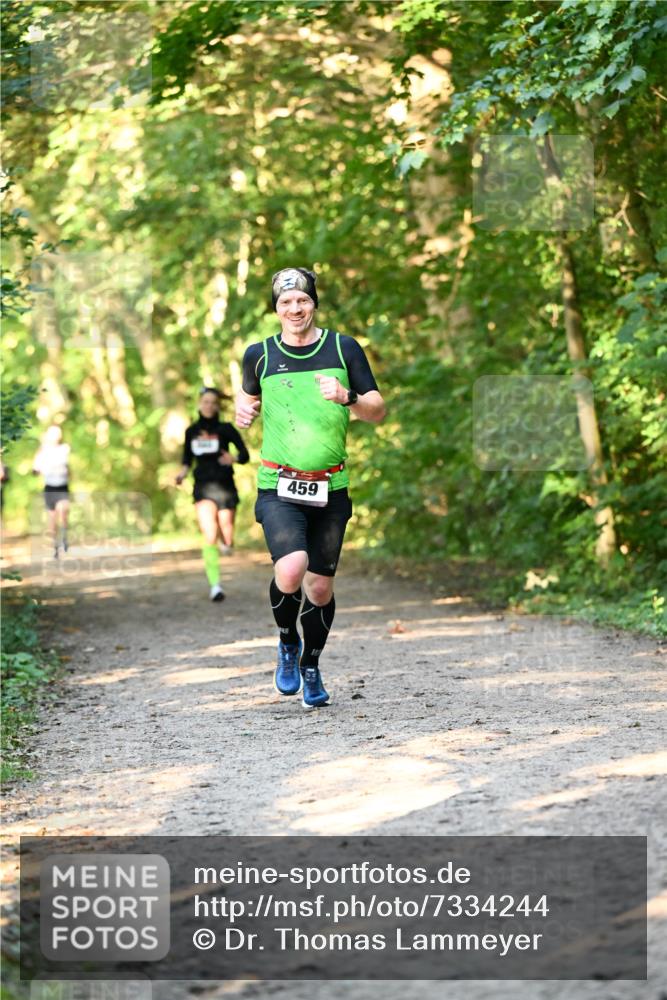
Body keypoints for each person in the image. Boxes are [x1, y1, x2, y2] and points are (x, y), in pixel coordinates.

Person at [235, 267, 386, 708]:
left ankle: (311, 664)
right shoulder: (259, 354)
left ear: (313, 304)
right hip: (278, 483)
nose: (295, 309)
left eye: (302, 301)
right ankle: (287, 642)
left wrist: (348, 397)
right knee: (290, 568)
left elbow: (377, 409)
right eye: (286, 303)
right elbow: (249, 400)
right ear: (276, 309)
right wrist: (245, 413)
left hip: (330, 486)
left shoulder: (343, 348)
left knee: (320, 589)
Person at [176, 387, 250, 601]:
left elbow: (244, 454)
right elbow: (186, 460)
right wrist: (181, 474)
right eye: (205, 402)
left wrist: (233, 458)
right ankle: (215, 585)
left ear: (217, 406)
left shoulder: (226, 429)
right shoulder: (191, 431)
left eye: (213, 402)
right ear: (199, 404)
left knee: (226, 533)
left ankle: (226, 542)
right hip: (202, 487)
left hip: (225, 485)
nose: (209, 405)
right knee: (209, 534)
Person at [33, 424, 71, 559]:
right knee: (52, 518)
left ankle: (65, 537)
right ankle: (55, 546)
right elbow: (35, 468)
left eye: (58, 433)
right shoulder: (43, 450)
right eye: (53, 433)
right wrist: (37, 469)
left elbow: (67, 466)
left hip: (62, 486)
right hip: (50, 487)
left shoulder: (64, 448)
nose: (56, 435)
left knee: (64, 512)